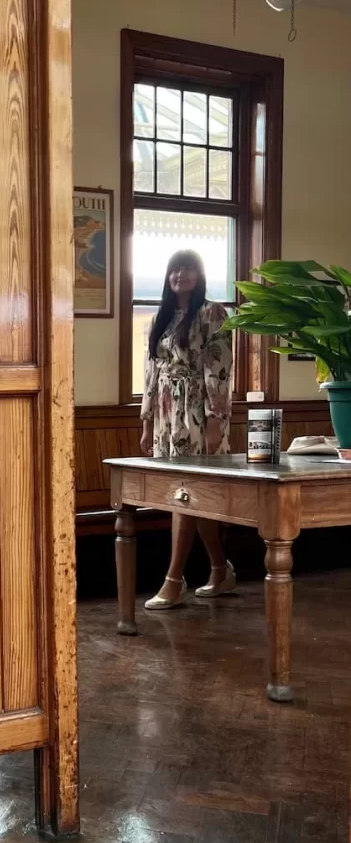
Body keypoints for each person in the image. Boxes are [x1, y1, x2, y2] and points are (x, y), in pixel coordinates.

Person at [140, 249, 235, 610]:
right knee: (189, 497)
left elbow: (219, 370)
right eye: (176, 269)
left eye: (189, 268)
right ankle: (220, 570)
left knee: (187, 493)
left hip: (198, 411)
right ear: (168, 277)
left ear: (200, 274)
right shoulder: (159, 318)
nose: (182, 274)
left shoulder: (213, 314)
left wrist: (214, 420)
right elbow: (150, 373)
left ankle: (174, 580)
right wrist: (147, 422)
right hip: (166, 416)